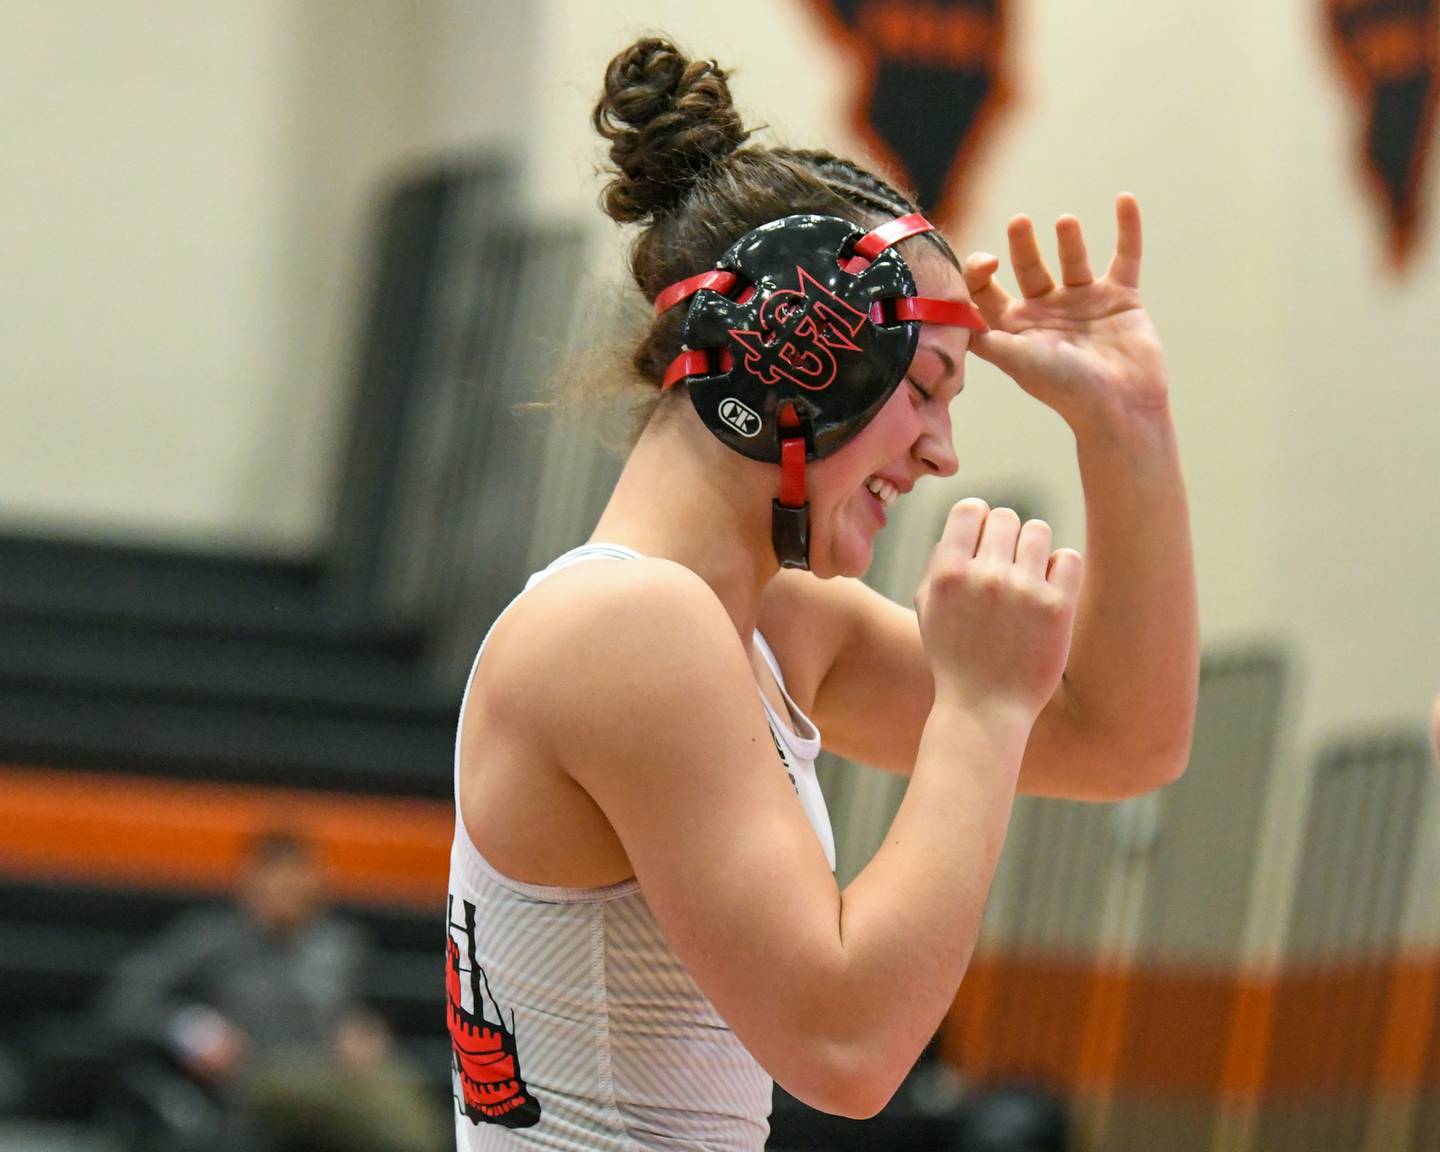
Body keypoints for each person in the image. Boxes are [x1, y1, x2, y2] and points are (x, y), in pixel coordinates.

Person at [444, 36, 1198, 1151]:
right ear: (795, 353)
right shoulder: (622, 630)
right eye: (929, 388)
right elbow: (847, 1049)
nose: (941, 452)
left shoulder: (772, 626)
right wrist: (982, 709)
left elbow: (1125, 740)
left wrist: (1127, 432)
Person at [101, 830, 443, 1152]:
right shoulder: (211, 938)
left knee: (398, 1082)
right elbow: (128, 997)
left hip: (336, 1072)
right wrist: (194, 1029)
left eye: (297, 880)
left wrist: (362, 1031)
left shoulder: (339, 944)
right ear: (250, 882)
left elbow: (358, 1009)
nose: (288, 891)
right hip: (253, 1074)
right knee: (362, 1101)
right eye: (277, 880)